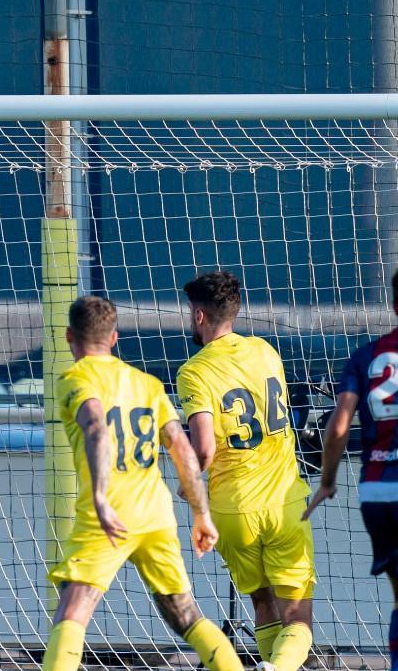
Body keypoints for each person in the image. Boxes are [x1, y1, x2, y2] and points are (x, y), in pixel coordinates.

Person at [43, 296, 241, 671]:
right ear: (115, 338)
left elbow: (97, 429)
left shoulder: (75, 378)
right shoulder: (147, 384)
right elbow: (182, 448)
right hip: (155, 514)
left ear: (69, 335)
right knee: (185, 614)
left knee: (73, 609)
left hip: (108, 515)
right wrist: (202, 515)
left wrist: (100, 498)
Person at [177, 271, 315, 671]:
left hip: (232, 509)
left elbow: (202, 449)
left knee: (262, 601)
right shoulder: (266, 352)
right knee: (298, 616)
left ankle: (269, 663)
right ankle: (276, 667)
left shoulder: (194, 372)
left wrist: (188, 487)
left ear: (199, 317)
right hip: (284, 502)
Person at [303, 268, 398, 670]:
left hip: (378, 492)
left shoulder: (365, 356)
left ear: (393, 305)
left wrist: (327, 482)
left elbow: (339, 426)